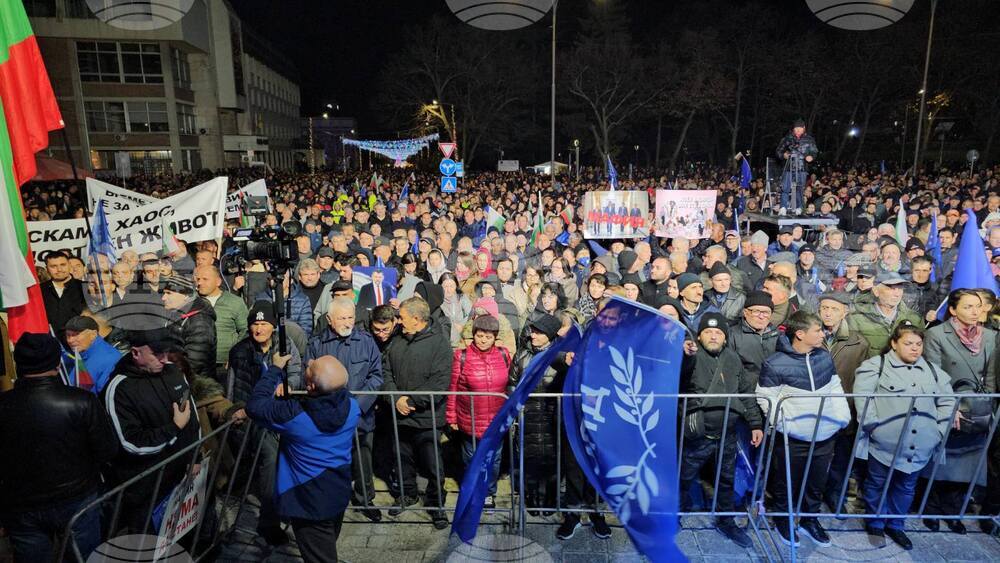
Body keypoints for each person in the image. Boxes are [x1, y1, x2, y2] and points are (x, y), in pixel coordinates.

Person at [0, 333, 118, 561]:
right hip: (77, 502)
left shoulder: (4, 406)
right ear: (56, 363)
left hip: (22, 508)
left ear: (19, 364)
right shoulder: (81, 401)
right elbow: (107, 450)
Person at [246, 354, 360, 563]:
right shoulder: (353, 407)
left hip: (308, 501)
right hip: (337, 492)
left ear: (310, 386)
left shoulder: (296, 417)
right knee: (325, 544)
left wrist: (274, 369)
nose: (308, 363)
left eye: (311, 368)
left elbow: (255, 406)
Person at [853, 322, 955, 551]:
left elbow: (948, 401)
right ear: (894, 343)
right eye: (908, 343)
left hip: (921, 446)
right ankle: (876, 524)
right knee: (877, 483)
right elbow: (863, 399)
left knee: (907, 486)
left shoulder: (932, 371)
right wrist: (874, 428)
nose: (914, 349)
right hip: (883, 445)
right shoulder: (875, 366)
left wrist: (938, 431)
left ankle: (896, 525)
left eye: (918, 344)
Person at [757, 311, 851, 547]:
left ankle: (810, 519)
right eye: (817, 330)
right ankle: (783, 519)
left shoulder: (824, 356)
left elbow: (834, 387)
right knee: (786, 482)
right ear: (800, 334)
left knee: (816, 482)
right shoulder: (775, 363)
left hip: (824, 435)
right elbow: (766, 398)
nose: (823, 333)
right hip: (792, 438)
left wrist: (841, 418)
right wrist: (786, 426)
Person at [102, 327, 199, 533]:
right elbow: (130, 442)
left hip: (181, 479)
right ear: (136, 353)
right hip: (147, 489)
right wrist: (173, 428)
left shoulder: (173, 371)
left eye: (166, 352)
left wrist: (195, 457)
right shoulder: (119, 388)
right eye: (157, 353)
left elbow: (192, 419)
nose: (164, 359)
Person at [679, 312, 762, 548]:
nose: (714, 336)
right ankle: (674, 514)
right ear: (699, 336)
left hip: (728, 432)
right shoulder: (691, 356)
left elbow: (746, 393)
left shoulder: (734, 359)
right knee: (683, 476)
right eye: (708, 332)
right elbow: (680, 375)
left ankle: (726, 522)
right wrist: (684, 355)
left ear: (725, 338)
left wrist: (755, 423)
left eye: (718, 332)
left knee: (726, 479)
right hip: (697, 434)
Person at [226, 301, 303, 545]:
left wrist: (290, 385)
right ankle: (268, 524)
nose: (259, 329)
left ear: (273, 327)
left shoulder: (286, 345)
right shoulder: (240, 351)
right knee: (269, 462)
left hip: (282, 414)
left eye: (264, 324)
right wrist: (237, 410)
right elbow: (234, 387)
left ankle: (291, 511)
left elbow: (296, 372)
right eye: (255, 324)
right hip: (254, 417)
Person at [922, 289, 998, 534]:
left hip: (977, 410)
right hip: (948, 405)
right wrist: (949, 408)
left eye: (977, 306)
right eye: (967, 306)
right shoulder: (936, 334)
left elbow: (992, 376)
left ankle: (953, 512)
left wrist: (986, 406)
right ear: (953, 310)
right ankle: (931, 510)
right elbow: (934, 374)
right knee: (940, 462)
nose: (974, 311)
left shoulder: (990, 337)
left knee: (966, 462)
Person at [305, 298, 384, 522]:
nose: (347, 322)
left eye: (350, 317)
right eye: (342, 318)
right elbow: (309, 377)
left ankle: (365, 500)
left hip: (360, 417)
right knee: (329, 461)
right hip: (327, 417)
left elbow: (376, 377)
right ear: (329, 320)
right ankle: (328, 499)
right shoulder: (317, 344)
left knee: (362, 460)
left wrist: (356, 407)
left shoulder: (367, 342)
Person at [381, 297, 453, 529]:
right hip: (399, 415)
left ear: (417, 319)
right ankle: (407, 494)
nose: (398, 322)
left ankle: (436, 504)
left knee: (433, 465)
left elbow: (440, 382)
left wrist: (411, 400)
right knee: (402, 461)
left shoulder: (439, 344)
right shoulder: (396, 341)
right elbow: (386, 372)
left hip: (427, 417)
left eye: (401, 317)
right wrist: (395, 399)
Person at [446, 314, 512, 508]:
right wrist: (452, 416)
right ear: (473, 334)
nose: (483, 340)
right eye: (480, 335)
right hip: (470, 419)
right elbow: (453, 388)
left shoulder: (503, 354)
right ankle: (473, 490)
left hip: (496, 421)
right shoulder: (462, 356)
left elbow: (509, 385)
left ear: (495, 338)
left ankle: (488, 492)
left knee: (494, 460)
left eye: (488, 336)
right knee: (471, 460)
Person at [815, 293, 869, 513]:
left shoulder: (858, 342)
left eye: (834, 309)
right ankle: (812, 495)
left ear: (845, 312)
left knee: (841, 456)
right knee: (816, 455)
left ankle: (834, 493)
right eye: (824, 307)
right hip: (815, 406)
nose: (828, 313)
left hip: (844, 408)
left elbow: (862, 379)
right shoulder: (811, 335)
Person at [848, 272, 924, 358]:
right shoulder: (857, 318)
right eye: (891, 288)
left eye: (900, 288)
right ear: (876, 291)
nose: (897, 294)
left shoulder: (915, 319)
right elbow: (852, 356)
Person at [194, 265, 248, 380]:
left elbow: (245, 330)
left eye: (205, 279)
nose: (200, 283)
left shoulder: (235, 302)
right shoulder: (191, 302)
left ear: (218, 281)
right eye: (198, 279)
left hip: (225, 365)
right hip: (197, 365)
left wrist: (235, 356)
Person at [161, 276, 218, 383]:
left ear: (186, 295)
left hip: (196, 386)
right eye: (164, 293)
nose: (163, 298)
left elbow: (194, 362)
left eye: (169, 293)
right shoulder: (175, 315)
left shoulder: (200, 321)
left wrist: (169, 378)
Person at [727, 291, 780, 387]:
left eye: (766, 312)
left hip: (774, 389)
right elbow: (730, 369)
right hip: (745, 391)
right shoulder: (732, 335)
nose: (761, 316)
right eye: (756, 312)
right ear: (745, 313)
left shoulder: (778, 335)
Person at [62, 315, 122, 394]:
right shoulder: (78, 352)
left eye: (76, 334)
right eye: (68, 335)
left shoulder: (109, 359)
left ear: (93, 334)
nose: (70, 340)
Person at [40, 250, 87, 340]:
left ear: (69, 265)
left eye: (63, 265)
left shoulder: (85, 287)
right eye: (53, 266)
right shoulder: (39, 291)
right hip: (51, 343)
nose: (59, 270)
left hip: (81, 342)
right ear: (47, 269)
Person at [775, 118, 818, 214]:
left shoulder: (809, 139)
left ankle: (799, 207)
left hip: (802, 167)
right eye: (796, 128)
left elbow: (814, 152)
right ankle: (783, 207)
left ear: (804, 128)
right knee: (785, 187)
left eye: (800, 128)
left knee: (799, 188)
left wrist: (811, 157)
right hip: (789, 166)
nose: (798, 130)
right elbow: (778, 151)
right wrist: (783, 155)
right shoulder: (787, 138)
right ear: (793, 129)